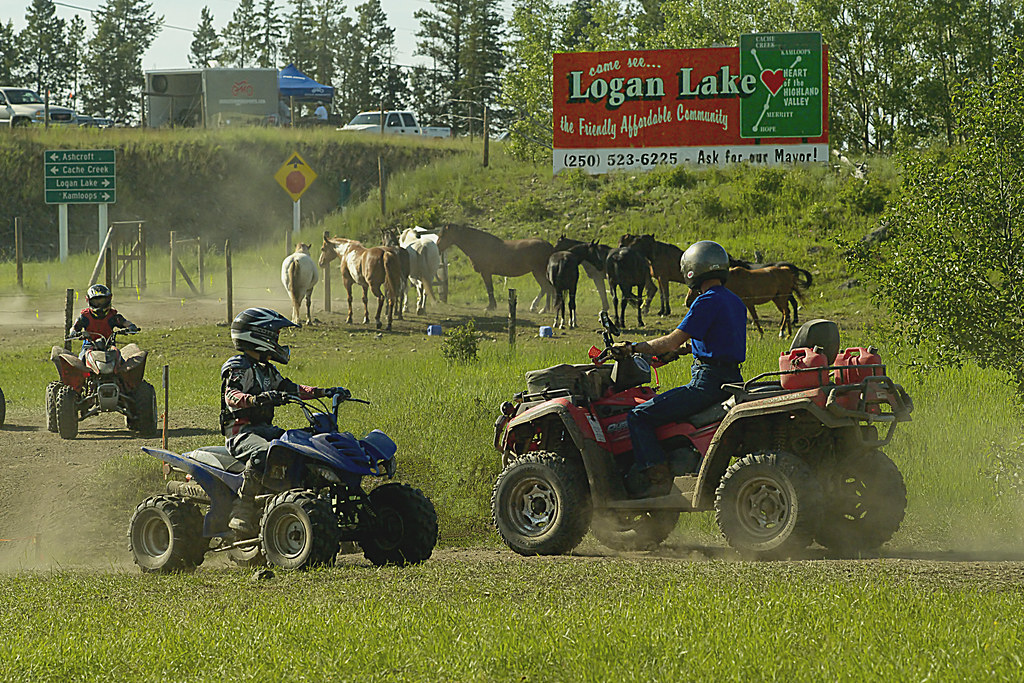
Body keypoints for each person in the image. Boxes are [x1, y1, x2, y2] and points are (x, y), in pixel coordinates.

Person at [618, 240, 747, 498]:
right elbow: (718, 338)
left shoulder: (706, 301)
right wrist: (683, 351)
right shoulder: (735, 301)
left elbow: (670, 340)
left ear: (692, 270)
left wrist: (633, 348)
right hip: (732, 379)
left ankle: (656, 479)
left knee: (638, 416)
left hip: (706, 384)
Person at [221, 307, 348, 536]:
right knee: (266, 453)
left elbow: (293, 389)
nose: (279, 341)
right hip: (241, 434)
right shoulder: (238, 366)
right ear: (260, 336)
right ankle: (243, 508)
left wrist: (324, 392)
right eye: (275, 336)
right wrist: (255, 399)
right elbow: (231, 396)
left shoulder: (267, 370)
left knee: (301, 447)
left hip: (265, 429)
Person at [69, 284, 139, 356]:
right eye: (96, 302)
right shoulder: (85, 316)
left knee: (120, 360)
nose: (100, 305)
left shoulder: (113, 315)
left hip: (109, 345)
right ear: (88, 300)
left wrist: (131, 326)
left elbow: (124, 322)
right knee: (81, 359)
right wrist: (74, 333)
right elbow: (74, 327)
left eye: (103, 301)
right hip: (89, 345)